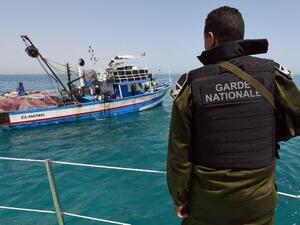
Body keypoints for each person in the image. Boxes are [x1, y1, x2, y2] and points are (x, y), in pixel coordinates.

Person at [167, 6, 300, 225]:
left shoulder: (191, 85)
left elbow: (178, 155)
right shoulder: (272, 75)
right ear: (240, 34)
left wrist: (180, 198)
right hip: (259, 203)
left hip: (208, 205)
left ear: (210, 38)